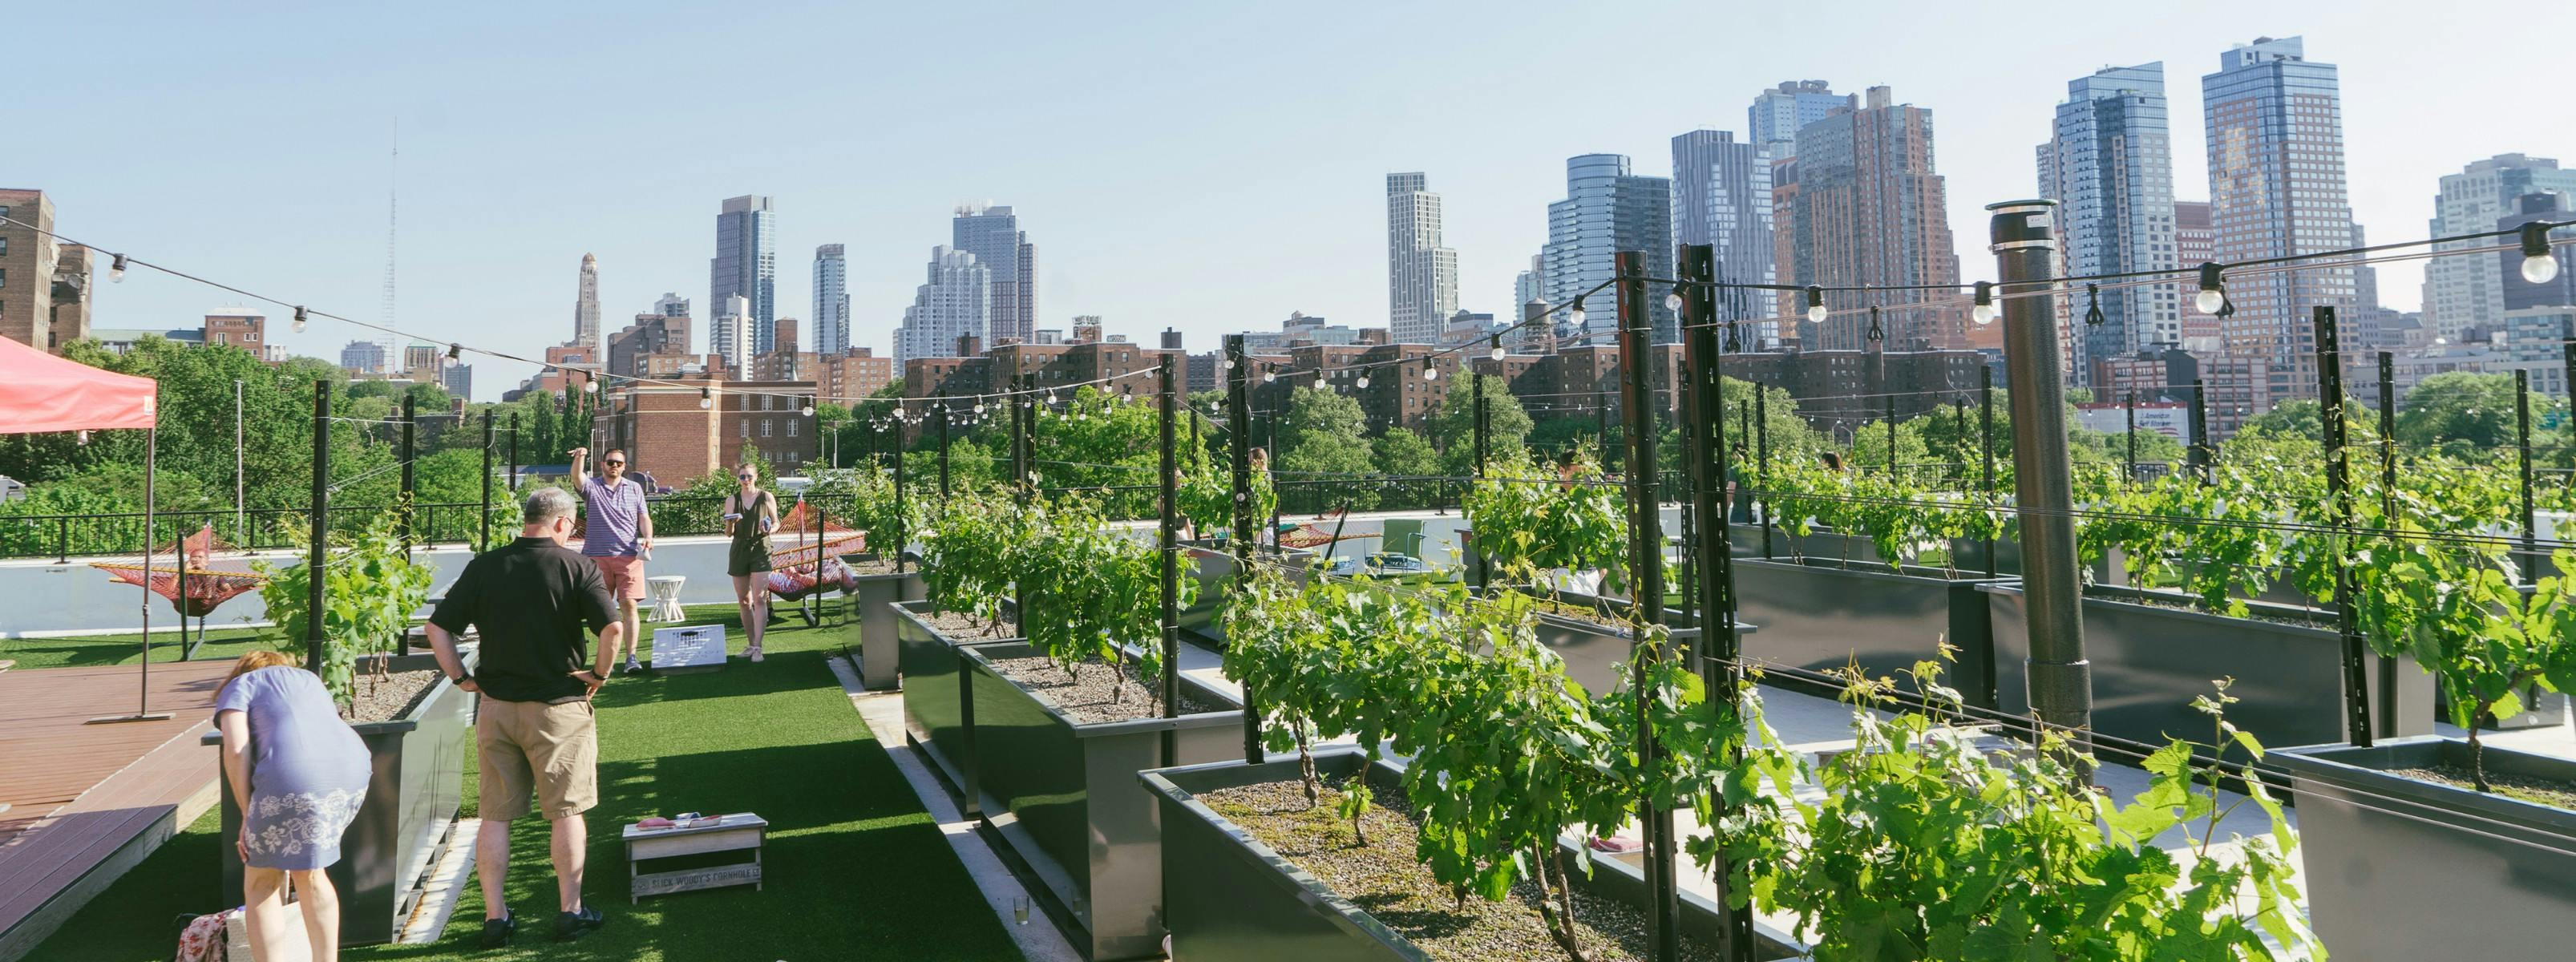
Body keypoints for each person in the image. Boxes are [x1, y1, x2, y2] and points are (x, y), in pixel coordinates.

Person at [425, 487, 624, 947]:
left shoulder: (486, 565)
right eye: (572, 527)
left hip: (496, 709)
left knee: (496, 815)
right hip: (559, 709)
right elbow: (612, 627)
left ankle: (495, 918)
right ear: (561, 524)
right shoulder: (577, 566)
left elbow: (436, 627)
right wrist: (599, 673)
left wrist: (460, 678)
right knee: (567, 811)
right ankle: (570, 912)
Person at [213, 650, 370, 962]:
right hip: (351, 771)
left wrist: (247, 813)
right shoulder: (310, 680)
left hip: (293, 776)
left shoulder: (241, 685)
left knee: (261, 881)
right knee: (311, 872)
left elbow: (235, 748)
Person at [568, 447, 653, 673]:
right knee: (599, 610)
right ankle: (604, 660)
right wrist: (580, 457)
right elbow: (577, 476)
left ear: (624, 466)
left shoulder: (634, 488)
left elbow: (643, 517)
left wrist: (648, 537)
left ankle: (631, 658)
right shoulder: (592, 487)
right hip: (596, 558)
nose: (614, 466)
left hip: (629, 556)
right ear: (602, 464)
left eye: (618, 463)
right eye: (610, 462)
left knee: (629, 605)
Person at [723, 462, 778, 661]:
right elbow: (728, 534)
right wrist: (731, 523)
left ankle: (758, 647)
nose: (746, 480)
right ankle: (751, 644)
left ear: (756, 477)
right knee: (744, 601)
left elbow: (777, 523)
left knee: (760, 599)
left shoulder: (766, 497)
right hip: (739, 549)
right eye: (742, 477)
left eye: (749, 477)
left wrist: (769, 529)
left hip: (761, 548)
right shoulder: (732, 500)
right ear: (738, 478)